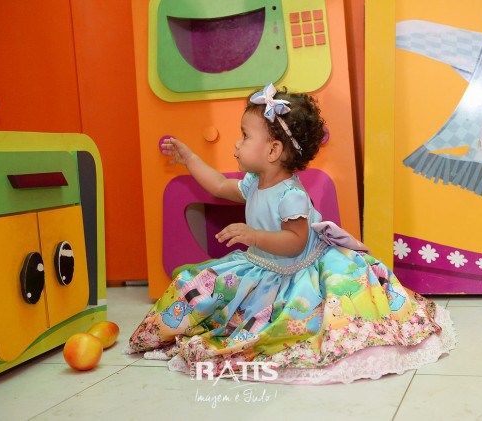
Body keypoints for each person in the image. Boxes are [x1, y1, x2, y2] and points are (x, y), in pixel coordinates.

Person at [125, 83, 456, 384]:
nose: (237, 144)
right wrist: (190, 159)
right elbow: (220, 185)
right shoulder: (254, 182)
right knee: (198, 287)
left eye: (244, 136)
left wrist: (254, 236)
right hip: (263, 265)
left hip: (296, 269)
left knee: (286, 322)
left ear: (273, 151)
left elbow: (295, 243)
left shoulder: (291, 196)